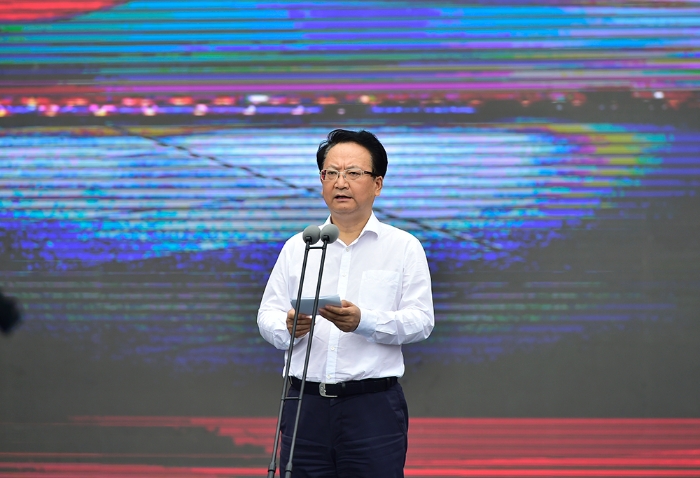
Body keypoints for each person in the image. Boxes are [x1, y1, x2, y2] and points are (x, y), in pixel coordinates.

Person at [257, 129, 434, 477]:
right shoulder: (299, 247)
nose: (340, 182)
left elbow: (420, 321)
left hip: (372, 409)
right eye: (331, 172)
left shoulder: (402, 247)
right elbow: (268, 315)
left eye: (353, 173)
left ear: (377, 184)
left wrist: (363, 321)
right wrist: (288, 328)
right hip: (304, 406)